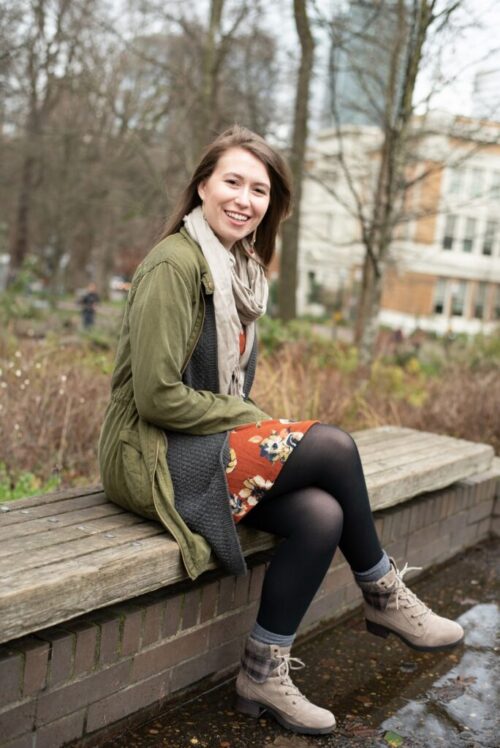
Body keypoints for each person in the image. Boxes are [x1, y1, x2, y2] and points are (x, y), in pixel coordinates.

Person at [98, 125, 464, 736]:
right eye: (232, 182)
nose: (244, 199)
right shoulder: (174, 265)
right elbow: (157, 398)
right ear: (202, 187)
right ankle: (382, 592)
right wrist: (255, 421)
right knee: (332, 444)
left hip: (198, 443)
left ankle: (263, 674)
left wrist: (251, 418)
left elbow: (227, 395)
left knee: (322, 514)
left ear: (272, 204)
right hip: (153, 454)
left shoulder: (240, 274)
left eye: (259, 189)